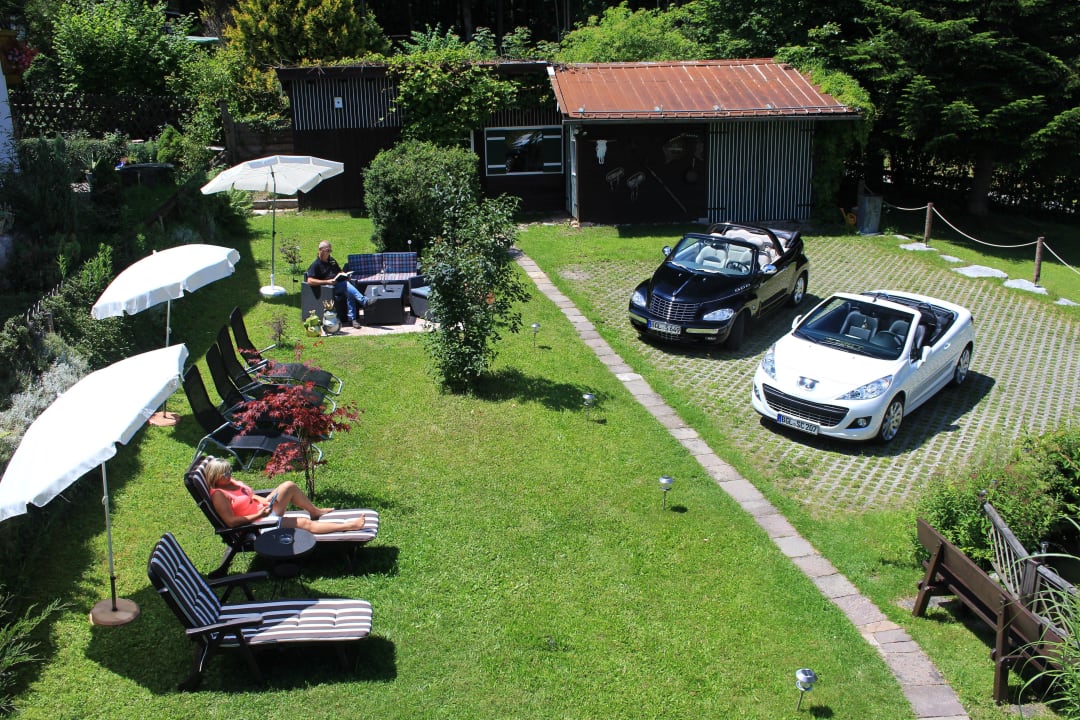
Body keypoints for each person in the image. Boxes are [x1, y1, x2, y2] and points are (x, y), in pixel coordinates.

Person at [204, 456, 367, 533]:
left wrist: (266, 501)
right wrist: (259, 514)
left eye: (229, 471)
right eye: (224, 474)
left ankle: (315, 511)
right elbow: (231, 522)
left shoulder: (231, 482)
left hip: (265, 511)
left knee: (288, 486)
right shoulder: (219, 494)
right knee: (304, 524)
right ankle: (350, 526)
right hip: (258, 524)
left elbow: (250, 496)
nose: (229, 475)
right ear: (214, 477)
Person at [306, 241, 367, 328]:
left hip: (338, 284)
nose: (329, 252)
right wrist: (327, 282)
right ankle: (364, 302)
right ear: (320, 250)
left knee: (349, 291)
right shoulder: (316, 265)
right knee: (347, 285)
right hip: (328, 288)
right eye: (328, 250)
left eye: (330, 250)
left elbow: (339, 271)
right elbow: (310, 281)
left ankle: (352, 319)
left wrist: (346, 275)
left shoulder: (332, 260)